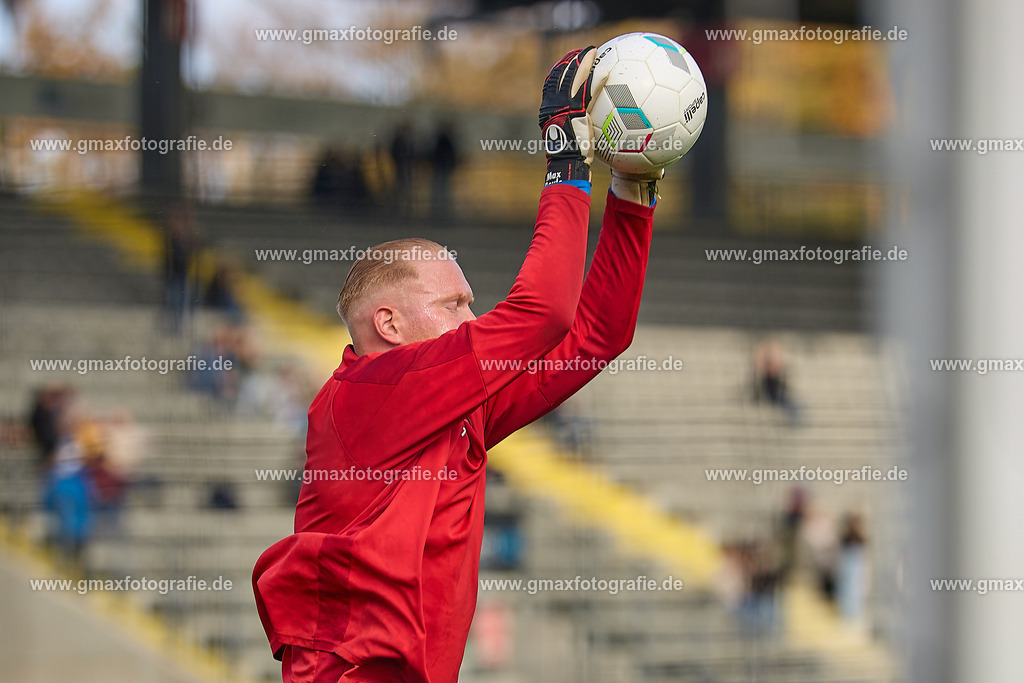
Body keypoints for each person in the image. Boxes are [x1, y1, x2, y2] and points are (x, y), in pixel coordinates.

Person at [252, 46, 663, 682]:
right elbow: (545, 315)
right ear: (386, 325)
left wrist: (633, 193)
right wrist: (565, 161)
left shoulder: (447, 408)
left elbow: (595, 338)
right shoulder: (372, 390)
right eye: (454, 304)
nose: (473, 321)